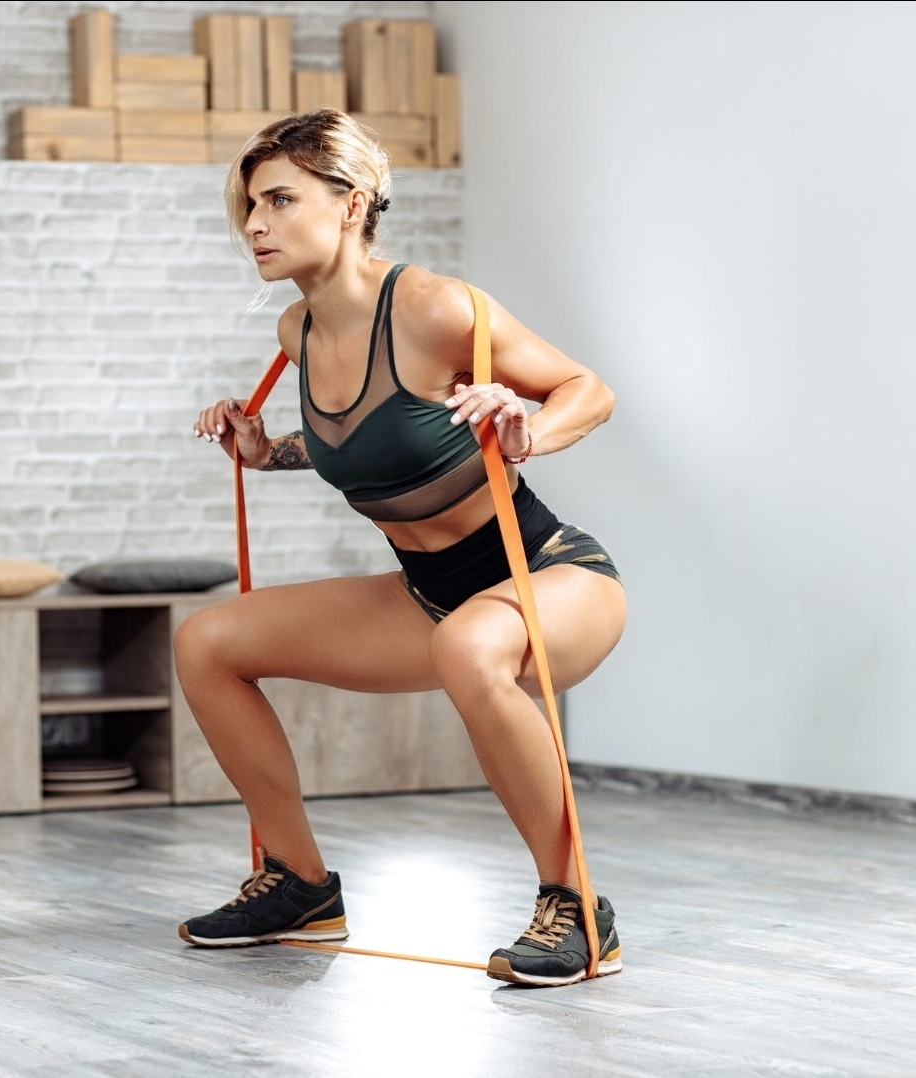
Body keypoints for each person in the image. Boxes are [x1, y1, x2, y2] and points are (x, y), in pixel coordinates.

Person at [174, 108, 626, 987]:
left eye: (277, 200)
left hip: (549, 577)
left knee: (469, 644)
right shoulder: (296, 334)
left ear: (350, 203)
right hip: (429, 596)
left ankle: (575, 905)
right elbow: (379, 449)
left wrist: (529, 426)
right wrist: (269, 453)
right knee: (207, 642)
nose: (254, 225)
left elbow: (590, 389)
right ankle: (299, 884)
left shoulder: (432, 305)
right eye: (247, 207)